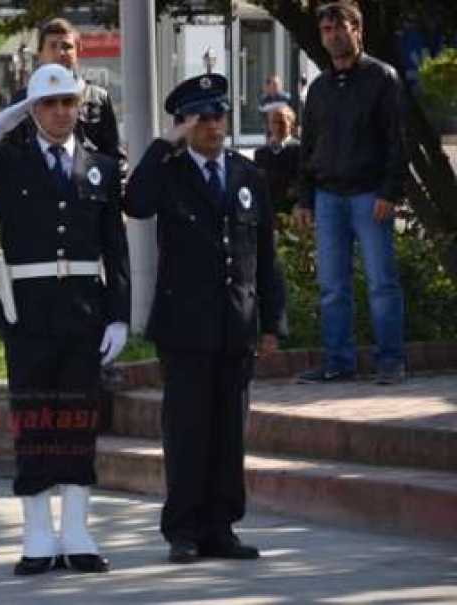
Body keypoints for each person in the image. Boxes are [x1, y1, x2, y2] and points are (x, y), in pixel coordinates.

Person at [0, 63, 130, 576]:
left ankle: (77, 531)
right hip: (27, 310)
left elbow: (116, 247)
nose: (61, 112)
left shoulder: (99, 164)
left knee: (78, 421)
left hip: (84, 310)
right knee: (33, 421)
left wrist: (120, 316)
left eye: (69, 102)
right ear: (33, 109)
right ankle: (38, 535)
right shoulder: (10, 160)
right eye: (49, 104)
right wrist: (0, 122)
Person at [123, 73, 284, 564]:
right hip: (185, 327)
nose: (216, 125)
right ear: (184, 124)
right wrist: (161, 144)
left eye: (220, 115)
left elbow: (265, 253)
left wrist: (274, 321)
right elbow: (134, 203)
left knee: (228, 432)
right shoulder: (168, 172)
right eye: (203, 117)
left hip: (235, 323)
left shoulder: (246, 175)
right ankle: (184, 531)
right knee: (188, 432)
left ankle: (222, 528)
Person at [292, 2, 407, 385]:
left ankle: (390, 361)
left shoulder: (382, 78)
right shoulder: (319, 88)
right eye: (326, 30)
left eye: (340, 27)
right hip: (328, 197)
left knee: (381, 283)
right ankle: (338, 363)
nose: (333, 35)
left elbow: (396, 142)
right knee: (332, 287)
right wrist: (304, 198)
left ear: (358, 31)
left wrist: (390, 192)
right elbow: (308, 147)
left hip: (370, 194)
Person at [10, 18, 124, 170]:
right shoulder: (24, 99)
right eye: (52, 46)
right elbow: (8, 154)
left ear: (78, 50)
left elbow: (114, 157)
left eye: (67, 46)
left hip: (86, 186)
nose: (60, 53)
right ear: (40, 54)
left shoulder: (97, 98)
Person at [253, 105, 301, 215]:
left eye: (282, 122)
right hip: (268, 210)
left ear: (291, 125)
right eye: (274, 122)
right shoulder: (261, 153)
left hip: (291, 209)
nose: (278, 127)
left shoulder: (299, 150)